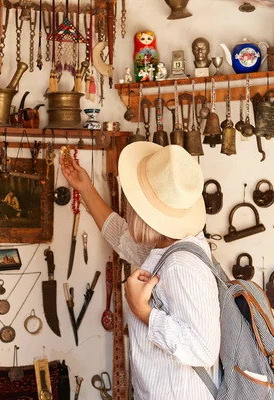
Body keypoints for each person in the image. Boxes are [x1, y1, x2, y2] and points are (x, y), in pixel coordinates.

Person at [60, 143, 220, 399]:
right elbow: (124, 240)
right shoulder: (168, 247)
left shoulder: (182, 264)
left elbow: (204, 350)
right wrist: (86, 188)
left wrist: (142, 310)